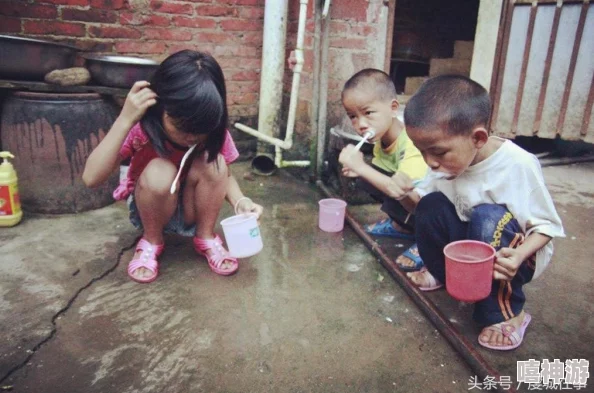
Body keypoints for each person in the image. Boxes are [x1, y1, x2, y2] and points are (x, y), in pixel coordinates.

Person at [397, 74, 564, 350]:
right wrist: (403, 194)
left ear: (477, 138)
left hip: (514, 253)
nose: (430, 162)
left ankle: (507, 313)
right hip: (471, 243)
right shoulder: (440, 162)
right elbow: (422, 210)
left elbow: (547, 226)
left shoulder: (517, 165)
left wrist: (520, 255)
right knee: (430, 206)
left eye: (437, 152)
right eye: (421, 151)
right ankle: (443, 273)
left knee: (487, 217)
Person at [83, 50, 263, 283]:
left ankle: (205, 237)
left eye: (200, 130)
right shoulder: (142, 131)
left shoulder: (212, 131)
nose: (191, 137)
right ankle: (152, 240)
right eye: (180, 126)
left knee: (216, 161)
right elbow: (91, 178)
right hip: (153, 209)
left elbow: (225, 176)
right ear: (159, 106)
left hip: (191, 210)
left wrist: (241, 202)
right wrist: (125, 119)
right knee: (160, 170)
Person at [336, 68, 428, 271]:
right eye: (352, 116)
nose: (360, 124)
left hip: (427, 202)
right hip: (408, 195)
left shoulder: (412, 140)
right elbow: (383, 178)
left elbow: (409, 194)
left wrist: (361, 167)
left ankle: (427, 244)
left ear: (393, 108)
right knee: (366, 178)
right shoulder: (382, 137)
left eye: (368, 113)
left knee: (369, 174)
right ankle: (402, 227)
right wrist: (360, 171)